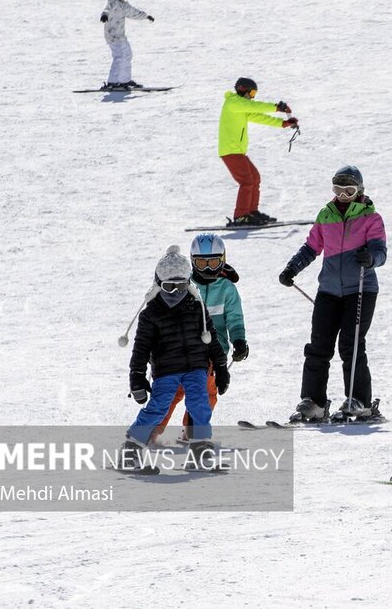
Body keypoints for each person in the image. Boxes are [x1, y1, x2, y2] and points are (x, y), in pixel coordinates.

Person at [279, 166, 386, 423]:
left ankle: (359, 400)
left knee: (351, 346)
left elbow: (381, 252)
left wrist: (370, 258)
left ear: (359, 190)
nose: (343, 195)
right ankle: (313, 402)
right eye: (338, 190)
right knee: (318, 346)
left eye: (349, 190)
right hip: (328, 290)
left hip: (360, 289)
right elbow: (311, 247)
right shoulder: (326, 215)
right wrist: (292, 267)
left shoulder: (371, 217)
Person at [122, 246, 230, 469]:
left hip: (196, 368)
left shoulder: (197, 307)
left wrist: (221, 366)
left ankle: (200, 447)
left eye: (180, 286)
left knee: (200, 404)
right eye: (169, 287)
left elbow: (212, 337)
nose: (175, 293)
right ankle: (132, 448)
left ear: (188, 282)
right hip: (166, 370)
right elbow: (141, 348)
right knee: (158, 407)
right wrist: (137, 377)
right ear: (158, 283)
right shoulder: (151, 313)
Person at [152, 235, 248, 443]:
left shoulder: (227, 289)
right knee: (173, 392)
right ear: (192, 262)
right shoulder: (185, 286)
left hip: (213, 353)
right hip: (181, 350)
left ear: (222, 260)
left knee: (205, 394)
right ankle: (152, 432)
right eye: (201, 263)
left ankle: (192, 432)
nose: (207, 269)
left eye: (213, 263)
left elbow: (234, 318)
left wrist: (239, 340)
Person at [218, 77, 298, 227]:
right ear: (243, 90)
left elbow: (258, 116)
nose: (253, 96)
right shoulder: (234, 103)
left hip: (237, 151)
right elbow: (256, 107)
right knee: (247, 181)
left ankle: (251, 212)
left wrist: (283, 123)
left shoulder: (241, 107)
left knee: (254, 178)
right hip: (230, 150)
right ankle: (241, 216)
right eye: (252, 92)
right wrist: (277, 107)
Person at [100, 0, 154, 91]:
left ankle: (125, 80)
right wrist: (104, 15)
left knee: (127, 54)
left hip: (120, 35)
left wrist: (145, 16)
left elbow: (133, 12)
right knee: (119, 56)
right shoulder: (113, 1)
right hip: (113, 35)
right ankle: (113, 81)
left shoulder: (123, 5)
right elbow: (107, 8)